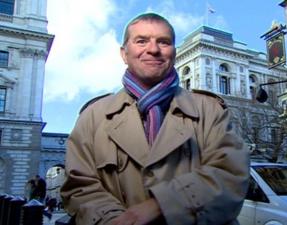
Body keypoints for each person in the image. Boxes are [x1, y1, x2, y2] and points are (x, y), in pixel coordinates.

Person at [60, 12, 249, 225]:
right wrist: (116, 220)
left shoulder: (210, 110)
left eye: (164, 42)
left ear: (174, 53)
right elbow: (80, 185)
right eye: (141, 41)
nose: (153, 49)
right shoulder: (93, 116)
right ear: (124, 53)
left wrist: (162, 205)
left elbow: (230, 173)